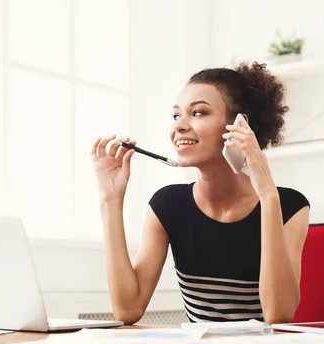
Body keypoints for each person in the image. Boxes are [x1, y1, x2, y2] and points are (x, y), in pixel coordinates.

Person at [90, 62, 310, 325]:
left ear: (239, 126)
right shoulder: (167, 205)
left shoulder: (289, 205)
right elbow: (127, 310)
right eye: (176, 115)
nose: (180, 126)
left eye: (198, 113)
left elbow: (279, 315)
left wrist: (268, 195)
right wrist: (110, 200)